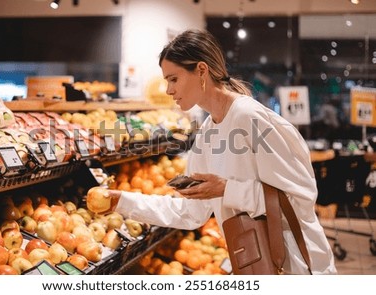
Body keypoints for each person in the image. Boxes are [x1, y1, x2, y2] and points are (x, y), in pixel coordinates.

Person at [107, 29, 337, 274]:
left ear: (202, 71)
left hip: (297, 265)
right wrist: (122, 201)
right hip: (257, 264)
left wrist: (228, 189)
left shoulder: (249, 117)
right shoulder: (208, 132)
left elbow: (300, 198)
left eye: (173, 79)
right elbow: (192, 213)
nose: (168, 90)